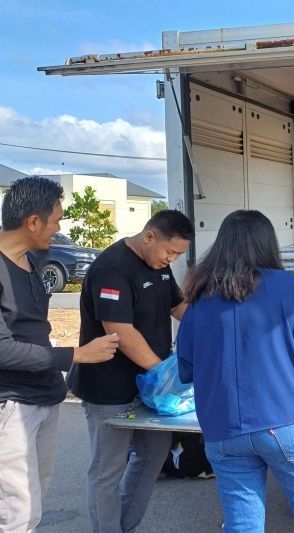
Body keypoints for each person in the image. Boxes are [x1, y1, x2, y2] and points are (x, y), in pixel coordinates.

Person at [177, 210, 294, 533]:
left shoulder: (200, 298)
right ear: (267, 244)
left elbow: (186, 369)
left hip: (223, 429)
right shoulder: (290, 287)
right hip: (288, 421)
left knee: (242, 523)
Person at [0, 176, 118, 532]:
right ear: (32, 221)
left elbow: (35, 330)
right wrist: (75, 356)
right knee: (16, 511)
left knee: (34, 501)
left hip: (44, 396)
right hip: (11, 404)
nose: (60, 228)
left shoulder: (34, 261)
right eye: (56, 220)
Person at [68, 210, 194, 533]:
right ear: (149, 236)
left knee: (154, 452)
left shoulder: (161, 268)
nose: (172, 259)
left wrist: (214, 326)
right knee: (108, 469)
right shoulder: (113, 268)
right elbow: (120, 332)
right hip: (110, 387)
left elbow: (177, 306)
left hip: (147, 389)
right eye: (170, 252)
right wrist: (163, 374)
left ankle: (122, 526)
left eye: (178, 255)